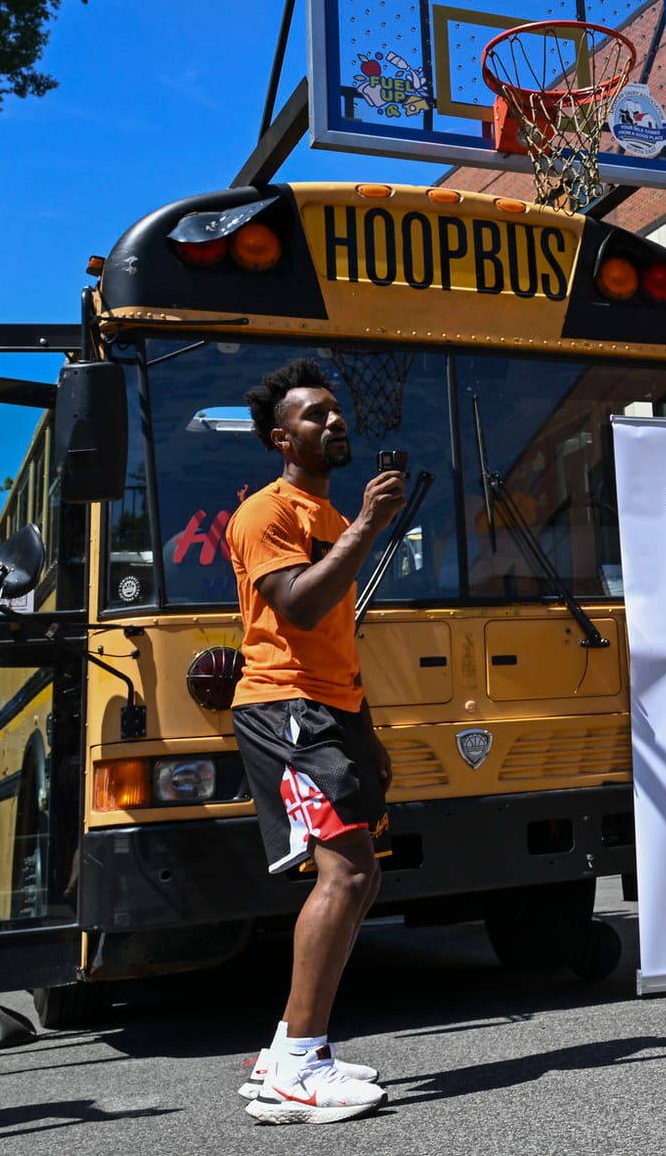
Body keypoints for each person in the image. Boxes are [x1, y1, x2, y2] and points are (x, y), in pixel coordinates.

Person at [227, 359, 403, 1125]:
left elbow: (337, 635)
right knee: (346, 870)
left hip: (332, 708)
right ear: (280, 438)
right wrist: (368, 523)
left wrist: (369, 727)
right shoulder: (265, 513)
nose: (334, 422)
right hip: (284, 707)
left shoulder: (329, 520)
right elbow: (298, 609)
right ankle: (300, 1068)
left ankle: (281, 1052)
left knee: (360, 876)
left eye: (336, 410)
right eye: (314, 415)